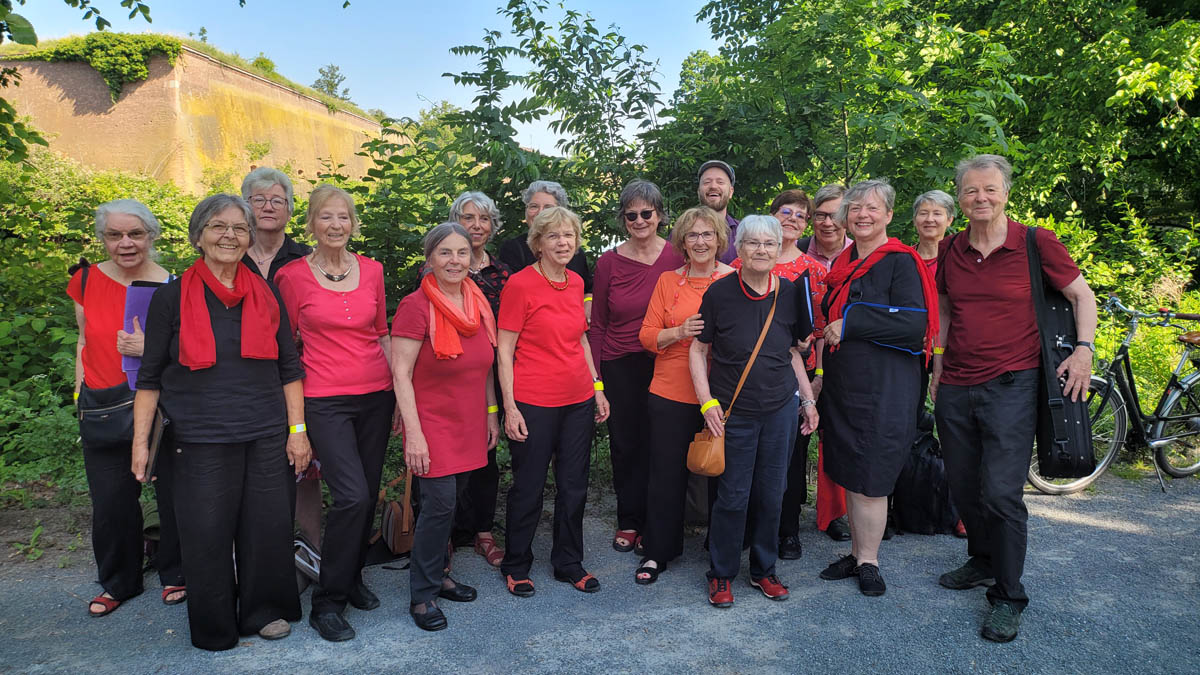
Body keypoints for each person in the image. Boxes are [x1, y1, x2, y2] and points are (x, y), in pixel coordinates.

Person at [131, 194, 309, 651]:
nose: (230, 235)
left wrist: (297, 431)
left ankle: (264, 611)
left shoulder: (265, 291)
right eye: (218, 226)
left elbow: (289, 366)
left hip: (266, 431)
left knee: (267, 526)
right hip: (198, 436)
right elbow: (149, 377)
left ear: (250, 239)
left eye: (240, 228)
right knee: (206, 532)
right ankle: (214, 625)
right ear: (198, 235)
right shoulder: (171, 296)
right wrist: (140, 443)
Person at [932, 154, 1096, 642]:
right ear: (959, 198)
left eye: (990, 189)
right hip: (957, 383)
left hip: (1014, 383)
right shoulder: (951, 249)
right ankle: (982, 560)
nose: (980, 198)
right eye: (970, 190)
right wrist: (938, 361)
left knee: (1001, 493)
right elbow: (943, 305)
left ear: (1005, 192)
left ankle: (1008, 595)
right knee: (963, 486)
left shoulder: (1035, 242)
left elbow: (1081, 296)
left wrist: (1084, 352)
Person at [274, 185, 394, 642]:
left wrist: (401, 397)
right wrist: (295, 423)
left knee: (368, 492)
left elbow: (381, 333)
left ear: (353, 223)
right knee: (352, 496)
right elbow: (285, 350)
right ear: (311, 223)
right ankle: (328, 599)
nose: (336, 225)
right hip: (324, 398)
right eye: (326, 217)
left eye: (343, 217)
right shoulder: (291, 276)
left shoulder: (374, 271)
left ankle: (353, 575)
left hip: (376, 395)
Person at [815, 179, 939, 598]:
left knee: (872, 476)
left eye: (872, 208)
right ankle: (856, 552)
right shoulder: (845, 263)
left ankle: (869, 561)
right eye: (855, 209)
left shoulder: (901, 262)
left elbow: (913, 326)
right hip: (846, 384)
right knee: (851, 471)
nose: (862, 215)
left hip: (886, 387)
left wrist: (850, 323)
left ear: (888, 215)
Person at [690, 215, 819, 608]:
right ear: (739, 248)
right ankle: (722, 573)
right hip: (734, 412)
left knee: (773, 493)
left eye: (768, 244)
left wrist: (807, 401)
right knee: (732, 496)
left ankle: (764, 570)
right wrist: (706, 401)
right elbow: (697, 350)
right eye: (752, 243)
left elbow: (793, 352)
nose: (761, 250)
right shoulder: (719, 294)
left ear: (778, 248)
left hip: (780, 409)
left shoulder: (793, 292)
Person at [68, 199, 184, 617]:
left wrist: (150, 347)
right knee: (112, 501)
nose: (125, 243)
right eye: (114, 235)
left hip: (160, 405)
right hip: (102, 403)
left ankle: (177, 572)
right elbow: (83, 339)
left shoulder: (174, 284)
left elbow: (189, 352)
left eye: (135, 233)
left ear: (151, 235)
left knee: (173, 494)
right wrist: (79, 390)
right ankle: (119, 581)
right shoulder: (83, 280)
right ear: (103, 239)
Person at [497, 206, 611, 597]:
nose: (563, 242)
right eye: (554, 236)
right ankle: (516, 564)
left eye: (569, 236)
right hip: (533, 401)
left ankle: (568, 562)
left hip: (577, 398)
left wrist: (596, 386)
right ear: (538, 244)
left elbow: (580, 338)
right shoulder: (521, 285)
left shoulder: (577, 282)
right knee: (528, 486)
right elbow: (504, 349)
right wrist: (509, 407)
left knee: (573, 485)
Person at [392, 222, 500, 631]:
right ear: (430, 258)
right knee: (438, 507)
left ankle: (439, 575)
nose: (455, 261)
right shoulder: (415, 306)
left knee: (454, 504)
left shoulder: (478, 302)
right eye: (445, 253)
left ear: (472, 260)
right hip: (431, 421)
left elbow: (486, 365)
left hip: (470, 418)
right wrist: (414, 433)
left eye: (462, 253)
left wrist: (492, 413)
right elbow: (400, 373)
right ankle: (422, 595)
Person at [634, 207, 733, 584]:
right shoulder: (667, 282)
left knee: (723, 474)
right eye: (693, 235)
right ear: (682, 242)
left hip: (721, 391)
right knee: (665, 475)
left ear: (720, 239)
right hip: (671, 390)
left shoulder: (734, 279)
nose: (701, 241)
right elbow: (646, 336)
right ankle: (658, 551)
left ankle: (721, 552)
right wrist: (679, 331)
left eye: (708, 234)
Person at [588, 179, 685, 555]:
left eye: (647, 212)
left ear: (660, 215)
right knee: (626, 445)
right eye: (632, 215)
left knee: (664, 444)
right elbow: (598, 323)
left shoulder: (678, 257)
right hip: (620, 363)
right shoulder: (609, 262)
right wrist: (596, 379)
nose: (640, 220)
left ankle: (659, 522)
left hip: (668, 359)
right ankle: (629, 520)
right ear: (623, 219)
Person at [732, 190, 828, 560]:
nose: (793, 218)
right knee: (746, 460)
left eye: (800, 216)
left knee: (787, 459)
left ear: (806, 225)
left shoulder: (815, 270)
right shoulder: (749, 263)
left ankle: (786, 531)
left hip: (793, 377)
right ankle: (744, 529)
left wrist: (817, 376)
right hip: (743, 380)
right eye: (785, 211)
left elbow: (817, 331)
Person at [237, 167, 321, 565]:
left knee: (306, 467)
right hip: (244, 380)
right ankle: (261, 557)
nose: (268, 207)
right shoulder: (229, 253)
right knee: (253, 471)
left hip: (301, 375)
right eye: (259, 199)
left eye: (278, 201)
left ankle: (313, 553)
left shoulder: (307, 259)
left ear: (289, 210)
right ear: (246, 206)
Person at [445, 190, 510, 567]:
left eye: (483, 219)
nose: (476, 226)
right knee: (448, 454)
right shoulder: (439, 266)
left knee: (487, 451)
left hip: (492, 374)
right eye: (468, 217)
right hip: (450, 377)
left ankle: (483, 531)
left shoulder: (502, 272)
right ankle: (447, 532)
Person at [796, 184, 853, 542]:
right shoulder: (798, 252)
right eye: (820, 214)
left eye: (835, 214)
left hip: (850, 359)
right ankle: (794, 506)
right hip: (801, 359)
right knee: (798, 436)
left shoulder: (864, 253)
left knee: (842, 437)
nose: (827, 222)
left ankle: (842, 513)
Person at [497, 180, 593, 316]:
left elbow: (588, 288)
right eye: (533, 206)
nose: (540, 213)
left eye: (548, 207)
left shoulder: (574, 252)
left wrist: (587, 305)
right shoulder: (512, 249)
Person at [696, 160, 740, 264]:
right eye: (707, 182)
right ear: (698, 191)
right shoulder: (681, 232)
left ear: (731, 192)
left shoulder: (744, 232)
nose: (713, 186)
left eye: (720, 182)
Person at [913, 189, 956, 274]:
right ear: (914, 220)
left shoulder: (957, 259)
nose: (929, 219)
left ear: (949, 220)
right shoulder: (903, 257)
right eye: (923, 213)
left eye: (937, 214)